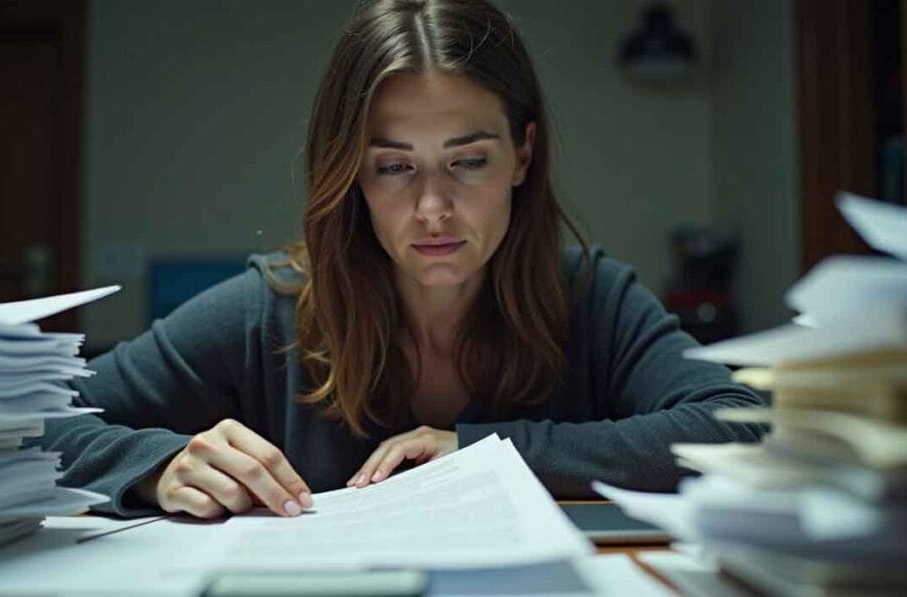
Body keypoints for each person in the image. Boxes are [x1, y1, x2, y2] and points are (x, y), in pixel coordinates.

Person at [38, 0, 764, 521]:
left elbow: (741, 423)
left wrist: (484, 452)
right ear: (351, 171)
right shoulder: (270, 310)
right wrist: (154, 465)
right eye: (393, 168)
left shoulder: (589, 296)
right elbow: (24, 423)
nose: (432, 210)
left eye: (468, 161)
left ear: (523, 154)